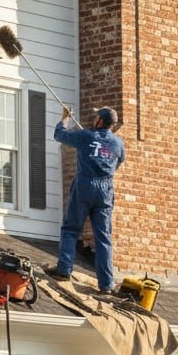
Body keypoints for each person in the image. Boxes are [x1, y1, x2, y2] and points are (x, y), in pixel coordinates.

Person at [49, 105, 125, 293]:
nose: (94, 118)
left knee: (71, 228)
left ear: (100, 121)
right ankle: (106, 285)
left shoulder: (86, 136)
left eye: (96, 116)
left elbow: (60, 135)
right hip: (105, 190)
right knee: (103, 238)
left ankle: (64, 270)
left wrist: (65, 118)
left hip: (85, 186)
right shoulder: (118, 143)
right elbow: (119, 162)